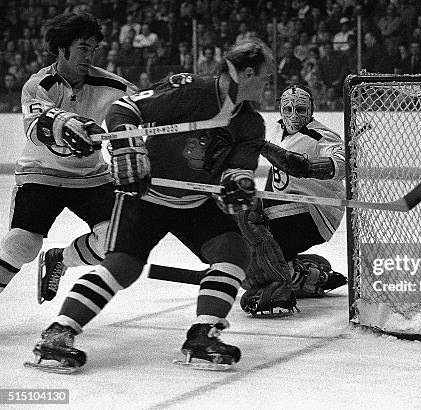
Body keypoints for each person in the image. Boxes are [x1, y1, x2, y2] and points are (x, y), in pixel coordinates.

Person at [28, 38, 275, 372]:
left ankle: (203, 335)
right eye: (265, 76)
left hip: (196, 201)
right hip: (147, 194)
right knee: (123, 266)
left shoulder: (250, 122)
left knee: (234, 251)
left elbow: (240, 166)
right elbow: (124, 109)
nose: (268, 83)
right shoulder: (191, 90)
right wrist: (128, 144)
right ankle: (57, 335)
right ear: (246, 73)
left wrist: (238, 183)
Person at [0, 13, 137, 299]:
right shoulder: (39, 84)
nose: (89, 56)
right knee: (20, 245)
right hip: (41, 175)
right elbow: (36, 128)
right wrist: (70, 125)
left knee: (115, 241)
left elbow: (144, 106)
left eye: (93, 49)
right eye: (82, 49)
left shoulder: (115, 86)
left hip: (91, 177)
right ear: (62, 49)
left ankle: (60, 259)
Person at [238, 84, 347, 315]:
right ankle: (296, 274)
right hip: (292, 208)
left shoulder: (321, 135)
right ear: (280, 110)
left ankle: (280, 284)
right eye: (288, 109)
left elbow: (343, 163)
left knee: (249, 216)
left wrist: (307, 166)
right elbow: (275, 178)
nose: (294, 115)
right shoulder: (277, 131)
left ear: (311, 110)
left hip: (317, 211)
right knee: (245, 224)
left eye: (300, 109)